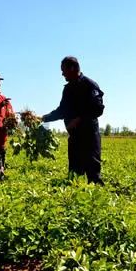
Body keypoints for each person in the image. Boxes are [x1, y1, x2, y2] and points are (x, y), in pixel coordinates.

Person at [42, 56, 105, 184]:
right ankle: (71, 201)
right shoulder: (68, 89)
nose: (62, 73)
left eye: (63, 70)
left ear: (72, 68)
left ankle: (96, 199)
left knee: (93, 173)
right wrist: (45, 118)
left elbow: (98, 109)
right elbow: (62, 110)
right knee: (73, 174)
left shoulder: (89, 85)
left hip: (89, 137)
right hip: (75, 138)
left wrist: (79, 119)